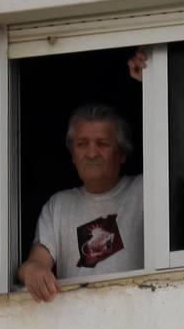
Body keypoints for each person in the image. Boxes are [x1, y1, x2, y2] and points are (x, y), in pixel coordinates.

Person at [17, 52, 147, 302]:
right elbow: (36, 262)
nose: (91, 153)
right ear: (72, 154)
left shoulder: (143, 191)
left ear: (122, 153)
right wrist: (32, 271)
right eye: (81, 144)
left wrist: (154, 84)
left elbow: (179, 149)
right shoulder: (59, 205)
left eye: (102, 143)